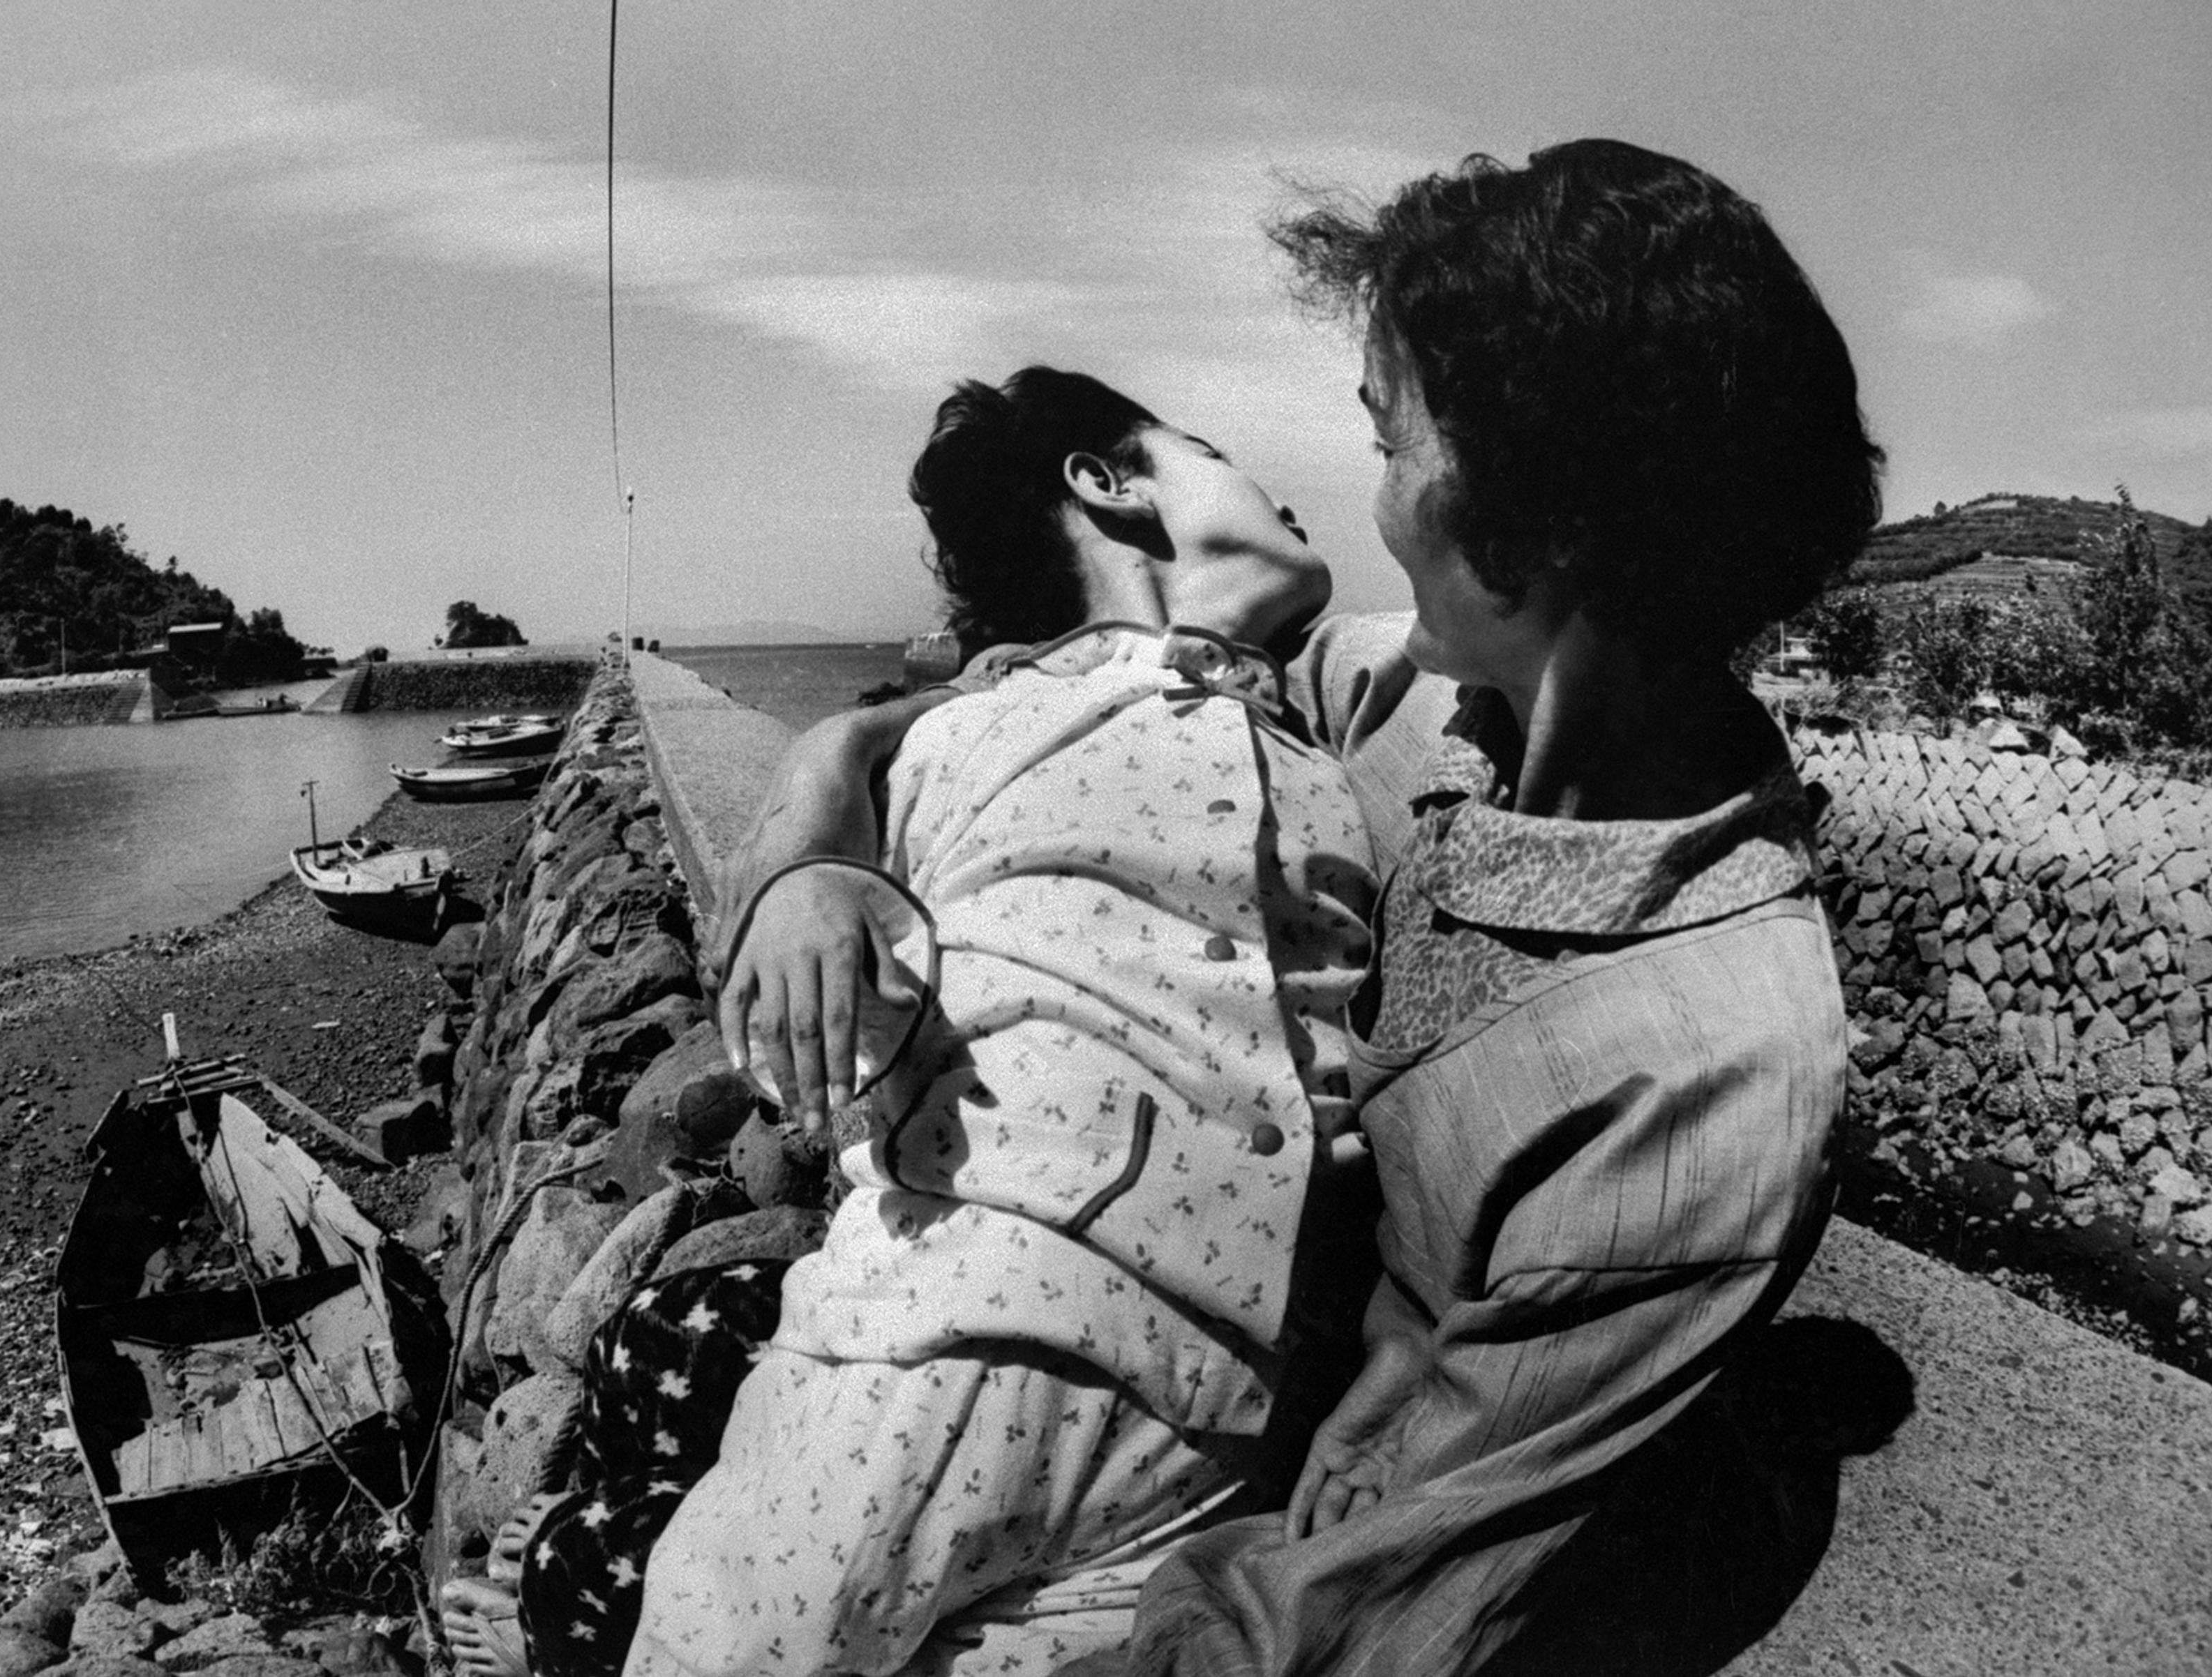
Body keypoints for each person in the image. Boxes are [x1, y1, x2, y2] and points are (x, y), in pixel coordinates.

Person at [719, 138, 1883, 1677]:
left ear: (1527, 526)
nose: (1374, 508)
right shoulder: (1406, 698)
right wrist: (815, 836)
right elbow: (998, 710)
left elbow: (1358, 1619)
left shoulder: (1713, 1079)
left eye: (1390, 442)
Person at [447, 366, 1387, 1677]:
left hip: (1129, 1351)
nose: (1289, 494)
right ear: (1105, 483)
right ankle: (622, 1557)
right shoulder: (979, 729)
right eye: (1214, 451)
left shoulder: (1322, 693)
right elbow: (836, 911)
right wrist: (807, 846)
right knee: (668, 1360)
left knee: (664, 1594)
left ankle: (589, 1580)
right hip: (981, 1297)